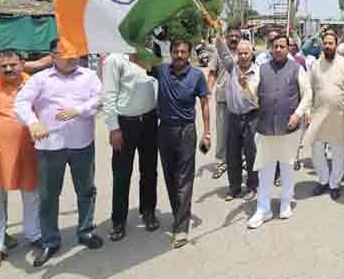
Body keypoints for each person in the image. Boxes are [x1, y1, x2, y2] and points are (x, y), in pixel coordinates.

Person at [14, 39, 103, 267]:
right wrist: (33, 122)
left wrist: (79, 110)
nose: (72, 57)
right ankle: (50, 241)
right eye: (65, 54)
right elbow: (21, 103)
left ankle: (85, 231)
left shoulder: (88, 75)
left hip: (82, 143)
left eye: (74, 53)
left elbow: (99, 98)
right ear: (52, 56)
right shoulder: (40, 79)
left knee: (86, 190)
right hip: (49, 147)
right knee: (48, 196)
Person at [0, 50, 41, 272]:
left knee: (33, 195)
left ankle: (35, 236)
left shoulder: (35, 86)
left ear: (22, 64)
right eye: (3, 66)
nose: (8, 69)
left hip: (28, 151)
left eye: (13, 65)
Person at [150, 39, 211, 249]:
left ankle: (182, 228)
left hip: (186, 131)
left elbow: (204, 105)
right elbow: (137, 59)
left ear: (189, 54)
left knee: (184, 179)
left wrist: (207, 133)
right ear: (171, 52)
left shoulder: (197, 76)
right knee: (169, 176)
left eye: (183, 52)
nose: (179, 55)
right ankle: (179, 214)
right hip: (164, 130)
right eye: (175, 51)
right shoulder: (161, 71)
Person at [247, 35, 312, 229]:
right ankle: (263, 208)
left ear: (288, 48)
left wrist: (298, 114)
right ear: (269, 48)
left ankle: (286, 202)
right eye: (274, 46)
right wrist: (244, 86)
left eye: (282, 46)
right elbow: (251, 93)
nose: (278, 49)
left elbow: (308, 93)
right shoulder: (262, 69)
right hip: (266, 126)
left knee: (287, 166)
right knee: (265, 169)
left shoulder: (297, 68)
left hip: (289, 127)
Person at [102, 52, 160, 242]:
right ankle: (118, 221)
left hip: (149, 121)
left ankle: (148, 211)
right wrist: (113, 128)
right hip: (126, 124)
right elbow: (108, 96)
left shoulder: (149, 55)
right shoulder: (115, 59)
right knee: (122, 174)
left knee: (149, 171)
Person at [305, 32, 344, 200]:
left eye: (331, 43)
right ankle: (323, 180)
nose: (328, 46)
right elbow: (309, 90)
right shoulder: (316, 65)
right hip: (318, 114)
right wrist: (309, 112)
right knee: (316, 150)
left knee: (338, 151)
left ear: (336, 44)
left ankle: (334, 184)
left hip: (339, 115)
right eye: (325, 43)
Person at [214, 37, 259, 202]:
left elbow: (255, 95)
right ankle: (234, 187)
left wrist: (245, 85)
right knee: (232, 155)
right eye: (240, 53)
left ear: (251, 53)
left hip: (251, 117)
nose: (243, 56)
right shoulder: (232, 67)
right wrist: (220, 40)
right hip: (233, 117)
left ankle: (252, 187)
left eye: (246, 53)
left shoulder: (257, 72)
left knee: (252, 154)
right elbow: (223, 53)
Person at [208, 26, 241, 181]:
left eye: (237, 36)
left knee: (239, 133)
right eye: (231, 36)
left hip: (240, 100)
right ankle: (221, 163)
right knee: (222, 133)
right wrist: (207, 91)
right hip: (223, 99)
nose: (234, 39)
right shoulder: (218, 52)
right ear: (227, 37)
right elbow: (212, 72)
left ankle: (239, 160)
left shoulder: (244, 52)